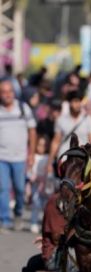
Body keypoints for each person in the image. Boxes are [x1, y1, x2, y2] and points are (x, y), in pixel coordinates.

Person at [0, 78, 36, 231]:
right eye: (3, 92)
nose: (7, 95)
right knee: (2, 188)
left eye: (9, 92)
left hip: (20, 157)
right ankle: (5, 220)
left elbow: (32, 131)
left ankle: (19, 212)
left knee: (20, 189)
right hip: (2, 157)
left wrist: (32, 153)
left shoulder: (23, 108)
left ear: (14, 93)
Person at [49, 90, 91, 160]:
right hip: (64, 158)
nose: (78, 104)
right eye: (75, 101)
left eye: (79, 101)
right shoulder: (61, 120)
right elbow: (56, 141)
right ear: (69, 103)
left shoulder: (88, 119)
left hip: (82, 159)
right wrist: (50, 161)